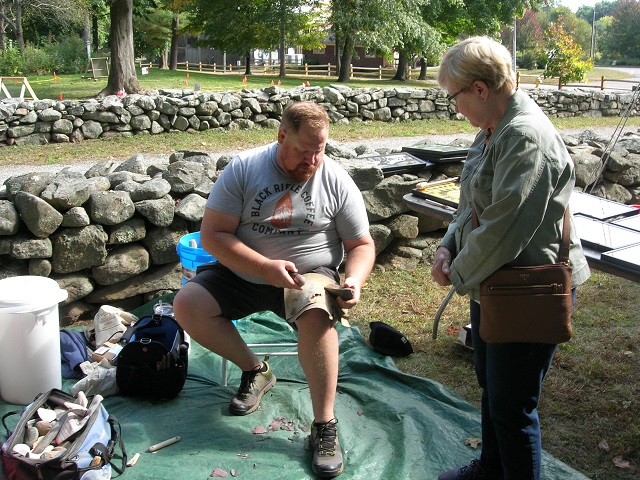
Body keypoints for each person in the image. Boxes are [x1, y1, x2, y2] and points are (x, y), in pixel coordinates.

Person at [173, 101, 375, 478]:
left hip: (308, 275)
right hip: (245, 272)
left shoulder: (334, 178)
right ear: (282, 136)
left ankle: (324, 425)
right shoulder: (245, 169)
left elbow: (362, 245)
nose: (312, 160)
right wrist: (264, 267)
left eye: (320, 150)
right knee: (187, 305)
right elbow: (213, 237)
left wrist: (354, 280)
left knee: (316, 313)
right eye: (303, 151)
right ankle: (256, 370)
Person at [430, 37, 590, 480]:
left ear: (480, 89)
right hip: (498, 284)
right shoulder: (493, 130)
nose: (455, 107)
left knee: (513, 406)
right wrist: (447, 245)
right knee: (493, 388)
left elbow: (504, 229)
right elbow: (472, 207)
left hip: (527, 288)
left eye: (454, 97)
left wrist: (458, 273)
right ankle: (492, 468)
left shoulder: (524, 137)